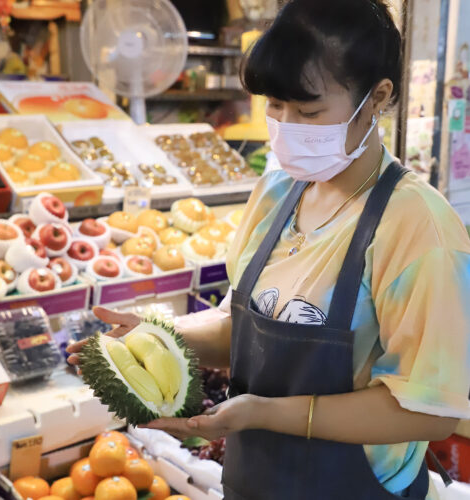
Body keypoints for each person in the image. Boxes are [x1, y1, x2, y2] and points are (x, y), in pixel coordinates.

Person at [68, 0, 470, 498]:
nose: (285, 125)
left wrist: (265, 413)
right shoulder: (279, 190)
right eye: (274, 105)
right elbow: (247, 331)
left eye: (308, 110)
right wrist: (157, 338)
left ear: (377, 97)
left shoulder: (418, 227)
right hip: (252, 480)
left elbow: (428, 410)